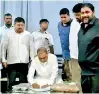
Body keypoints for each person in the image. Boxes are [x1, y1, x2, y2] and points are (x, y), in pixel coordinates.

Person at [1, 17, 34, 90]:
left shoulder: (28, 35)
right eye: (18, 25)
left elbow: (31, 48)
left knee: (24, 83)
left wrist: (33, 60)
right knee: (11, 83)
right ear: (14, 25)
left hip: (24, 62)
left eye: (22, 25)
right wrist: (3, 59)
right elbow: (3, 48)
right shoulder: (8, 34)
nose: (20, 27)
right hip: (11, 62)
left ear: (24, 25)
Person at [78, 3, 99, 93]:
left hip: (95, 73)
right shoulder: (82, 27)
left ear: (93, 12)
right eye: (82, 13)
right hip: (84, 72)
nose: (85, 15)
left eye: (87, 12)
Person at [69, 3, 82, 91]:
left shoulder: (89, 23)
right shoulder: (74, 22)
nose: (76, 16)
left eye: (78, 14)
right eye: (75, 14)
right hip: (73, 56)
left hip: (86, 57)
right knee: (76, 80)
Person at [58, 8, 72, 81]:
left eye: (65, 17)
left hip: (73, 54)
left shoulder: (74, 24)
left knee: (73, 74)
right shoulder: (59, 24)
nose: (63, 19)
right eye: (61, 17)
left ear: (69, 16)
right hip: (65, 53)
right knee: (67, 73)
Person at [0, 13, 14, 78]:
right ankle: (4, 87)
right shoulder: (1, 30)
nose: (8, 20)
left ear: (12, 19)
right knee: (4, 72)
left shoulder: (15, 29)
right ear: (4, 19)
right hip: (3, 53)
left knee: (12, 71)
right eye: (7, 18)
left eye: (10, 18)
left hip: (13, 53)